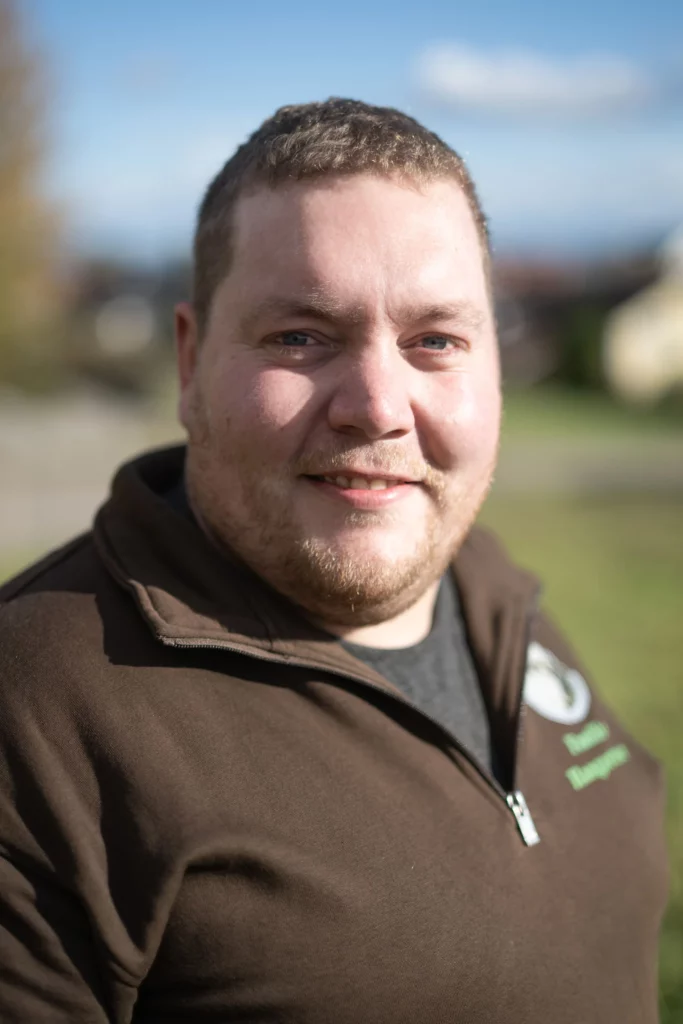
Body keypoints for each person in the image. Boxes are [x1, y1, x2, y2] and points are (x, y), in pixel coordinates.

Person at [0, 98, 668, 1023]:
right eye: (301, 337)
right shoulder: (36, 710)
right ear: (191, 364)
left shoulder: (493, 593)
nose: (377, 407)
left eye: (435, 341)